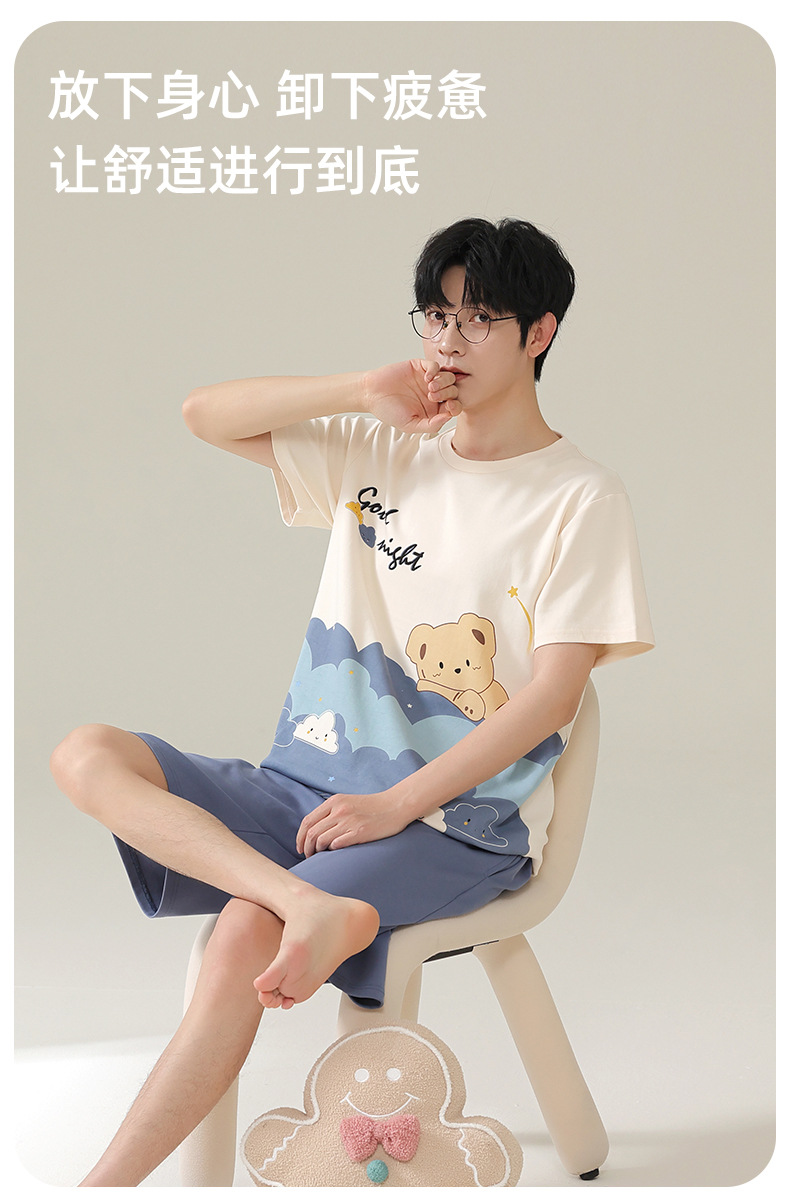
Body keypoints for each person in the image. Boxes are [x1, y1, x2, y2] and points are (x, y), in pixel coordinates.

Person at [50, 216, 654, 1186]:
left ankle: (102, 1186)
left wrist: (393, 804)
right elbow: (205, 413)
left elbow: (552, 699)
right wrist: (360, 391)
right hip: (304, 790)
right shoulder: (386, 450)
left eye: (480, 319)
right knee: (86, 752)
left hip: (453, 825)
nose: (449, 341)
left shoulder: (579, 498)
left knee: (242, 929)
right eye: (436, 317)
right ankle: (302, 898)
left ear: (539, 333)